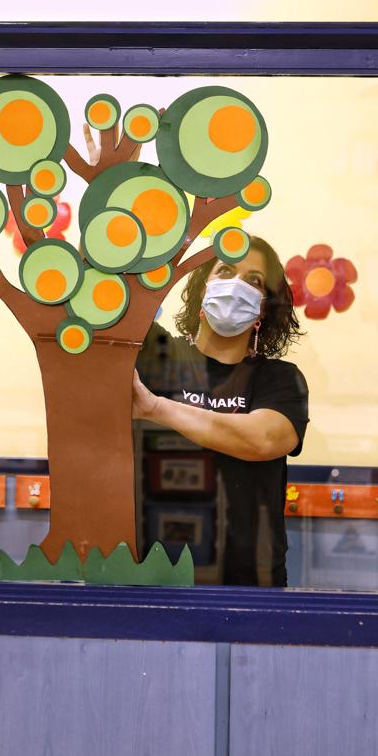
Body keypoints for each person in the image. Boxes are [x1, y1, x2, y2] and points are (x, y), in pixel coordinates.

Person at [133, 236, 309, 587]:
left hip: (251, 585)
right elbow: (104, 286)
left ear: (262, 310)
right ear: (202, 292)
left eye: (254, 280)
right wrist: (172, 246)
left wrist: (155, 408)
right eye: (225, 270)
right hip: (153, 578)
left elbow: (263, 439)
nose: (236, 285)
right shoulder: (155, 354)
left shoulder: (279, 379)